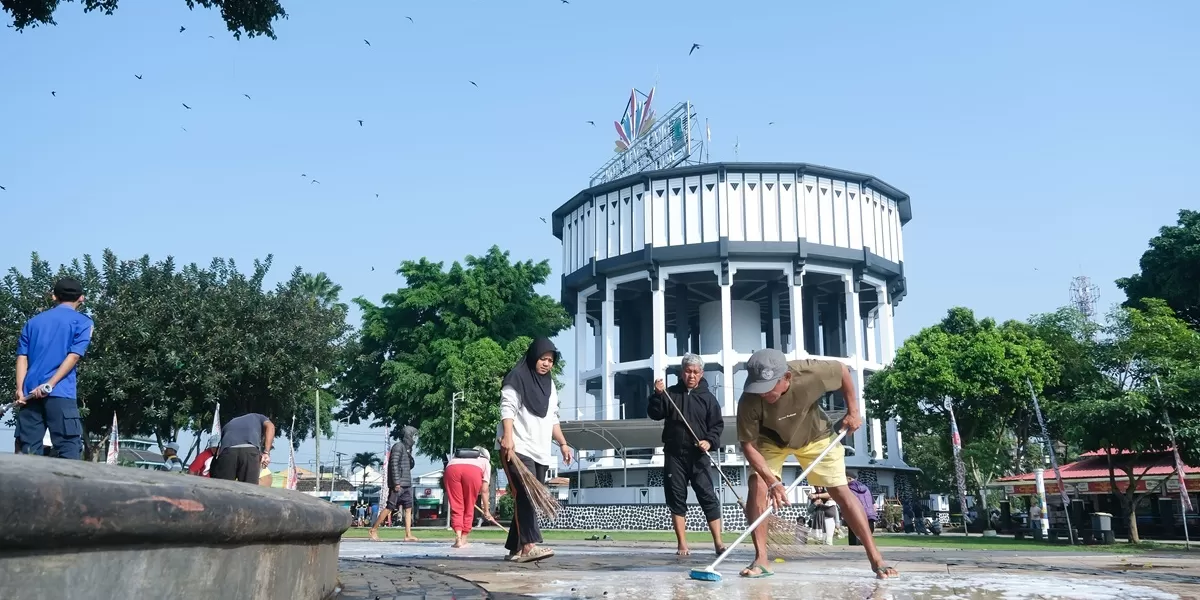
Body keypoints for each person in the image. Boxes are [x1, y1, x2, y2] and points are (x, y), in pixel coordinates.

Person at [735, 348, 897, 579]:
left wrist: (853, 411)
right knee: (757, 487)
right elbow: (749, 446)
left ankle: (876, 559)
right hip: (770, 440)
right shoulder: (749, 400)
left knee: (840, 490)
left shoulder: (808, 373)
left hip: (815, 435)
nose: (763, 393)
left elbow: (842, 371)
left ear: (786, 378)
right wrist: (772, 481)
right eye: (758, 386)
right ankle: (761, 559)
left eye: (768, 387)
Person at [498, 337, 573, 564]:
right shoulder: (517, 377)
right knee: (527, 496)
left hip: (540, 450)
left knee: (527, 497)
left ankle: (515, 547)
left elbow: (552, 418)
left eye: (550, 360)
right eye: (543, 358)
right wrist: (508, 438)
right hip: (517, 447)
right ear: (533, 357)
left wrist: (562, 443)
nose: (546, 363)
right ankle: (529, 546)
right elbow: (507, 407)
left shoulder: (550, 385)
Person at [646, 353, 726, 556]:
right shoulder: (670, 394)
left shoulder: (709, 399)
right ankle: (682, 544)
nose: (691, 375)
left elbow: (716, 426)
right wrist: (657, 394)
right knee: (676, 497)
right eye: (688, 371)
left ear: (701, 374)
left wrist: (709, 441)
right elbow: (655, 414)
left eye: (695, 372)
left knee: (707, 495)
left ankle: (718, 542)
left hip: (699, 456)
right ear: (682, 373)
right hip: (674, 455)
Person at [14, 277, 94, 459]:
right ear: (81, 298)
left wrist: (20, 389)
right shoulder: (83, 322)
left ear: (53, 297)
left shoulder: (33, 322)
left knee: (29, 450)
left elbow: (22, 357)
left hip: (29, 395)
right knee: (68, 448)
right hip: (60, 393)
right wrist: (50, 384)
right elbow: (73, 356)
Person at [370, 425, 419, 542]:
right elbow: (394, 465)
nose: (415, 439)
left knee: (408, 508)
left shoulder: (406, 449)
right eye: (413, 436)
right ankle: (374, 529)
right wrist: (396, 482)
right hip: (399, 484)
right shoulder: (398, 447)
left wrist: (410, 454)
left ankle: (408, 534)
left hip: (407, 483)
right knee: (390, 507)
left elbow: (409, 466)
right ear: (408, 436)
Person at [445, 446, 493, 548]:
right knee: (469, 506)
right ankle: (463, 539)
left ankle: (458, 538)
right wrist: (486, 510)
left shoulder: (457, 457)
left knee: (456, 505)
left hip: (452, 469)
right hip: (472, 472)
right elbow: (484, 490)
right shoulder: (485, 461)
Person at [210, 412, 274, 483]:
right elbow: (270, 426)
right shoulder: (260, 417)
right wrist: (266, 453)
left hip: (227, 452)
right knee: (248, 489)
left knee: (224, 487)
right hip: (249, 452)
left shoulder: (230, 422)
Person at [846, 476, 877, 546]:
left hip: (856, 517)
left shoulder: (848, 490)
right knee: (867, 544)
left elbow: (848, 504)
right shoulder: (866, 488)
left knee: (854, 545)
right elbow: (874, 504)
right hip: (870, 517)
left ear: (849, 479)